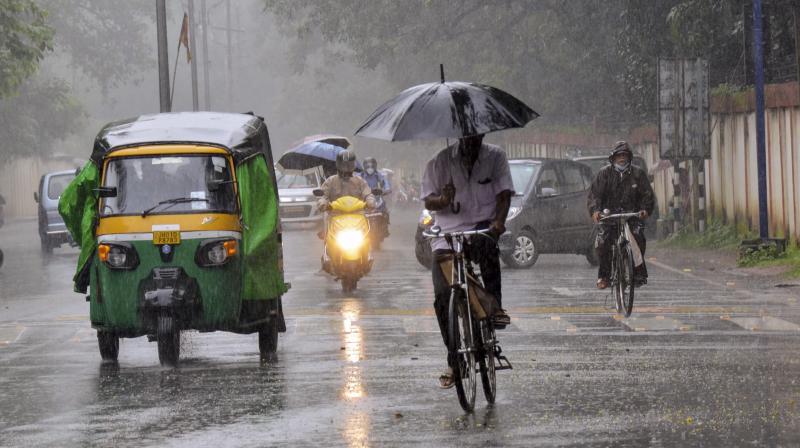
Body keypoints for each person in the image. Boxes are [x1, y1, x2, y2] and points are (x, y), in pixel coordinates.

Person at [421, 134, 513, 389]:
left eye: (476, 136)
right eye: (466, 136)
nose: (471, 142)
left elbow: (504, 194)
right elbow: (429, 200)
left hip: (481, 229)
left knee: (488, 251)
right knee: (442, 296)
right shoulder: (438, 162)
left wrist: (498, 223)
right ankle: (455, 361)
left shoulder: (495, 156)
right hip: (447, 235)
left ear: (482, 135)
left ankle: (495, 309)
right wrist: (443, 200)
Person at [587, 141, 655, 290]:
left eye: (624, 155)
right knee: (603, 242)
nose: (622, 158)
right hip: (609, 217)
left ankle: (638, 274)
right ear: (613, 158)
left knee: (638, 237)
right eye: (619, 155)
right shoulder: (604, 174)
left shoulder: (638, 174)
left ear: (629, 157)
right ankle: (604, 276)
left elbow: (647, 195)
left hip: (632, 216)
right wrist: (595, 211)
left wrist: (645, 210)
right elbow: (594, 195)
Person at [317, 150, 376, 218]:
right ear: (338, 165)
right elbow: (323, 196)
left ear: (353, 165)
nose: (346, 168)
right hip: (335, 216)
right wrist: (323, 203)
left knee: (373, 227)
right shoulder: (330, 181)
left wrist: (371, 202)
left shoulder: (360, 181)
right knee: (324, 226)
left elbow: (368, 194)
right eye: (343, 165)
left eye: (349, 165)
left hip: (357, 216)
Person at [359, 157, 391, 236]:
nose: (370, 168)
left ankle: (385, 228)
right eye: (368, 166)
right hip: (363, 198)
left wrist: (386, 189)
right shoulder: (360, 175)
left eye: (371, 166)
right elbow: (354, 184)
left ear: (375, 166)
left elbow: (385, 182)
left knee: (385, 210)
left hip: (376, 196)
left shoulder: (378, 174)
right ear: (365, 166)